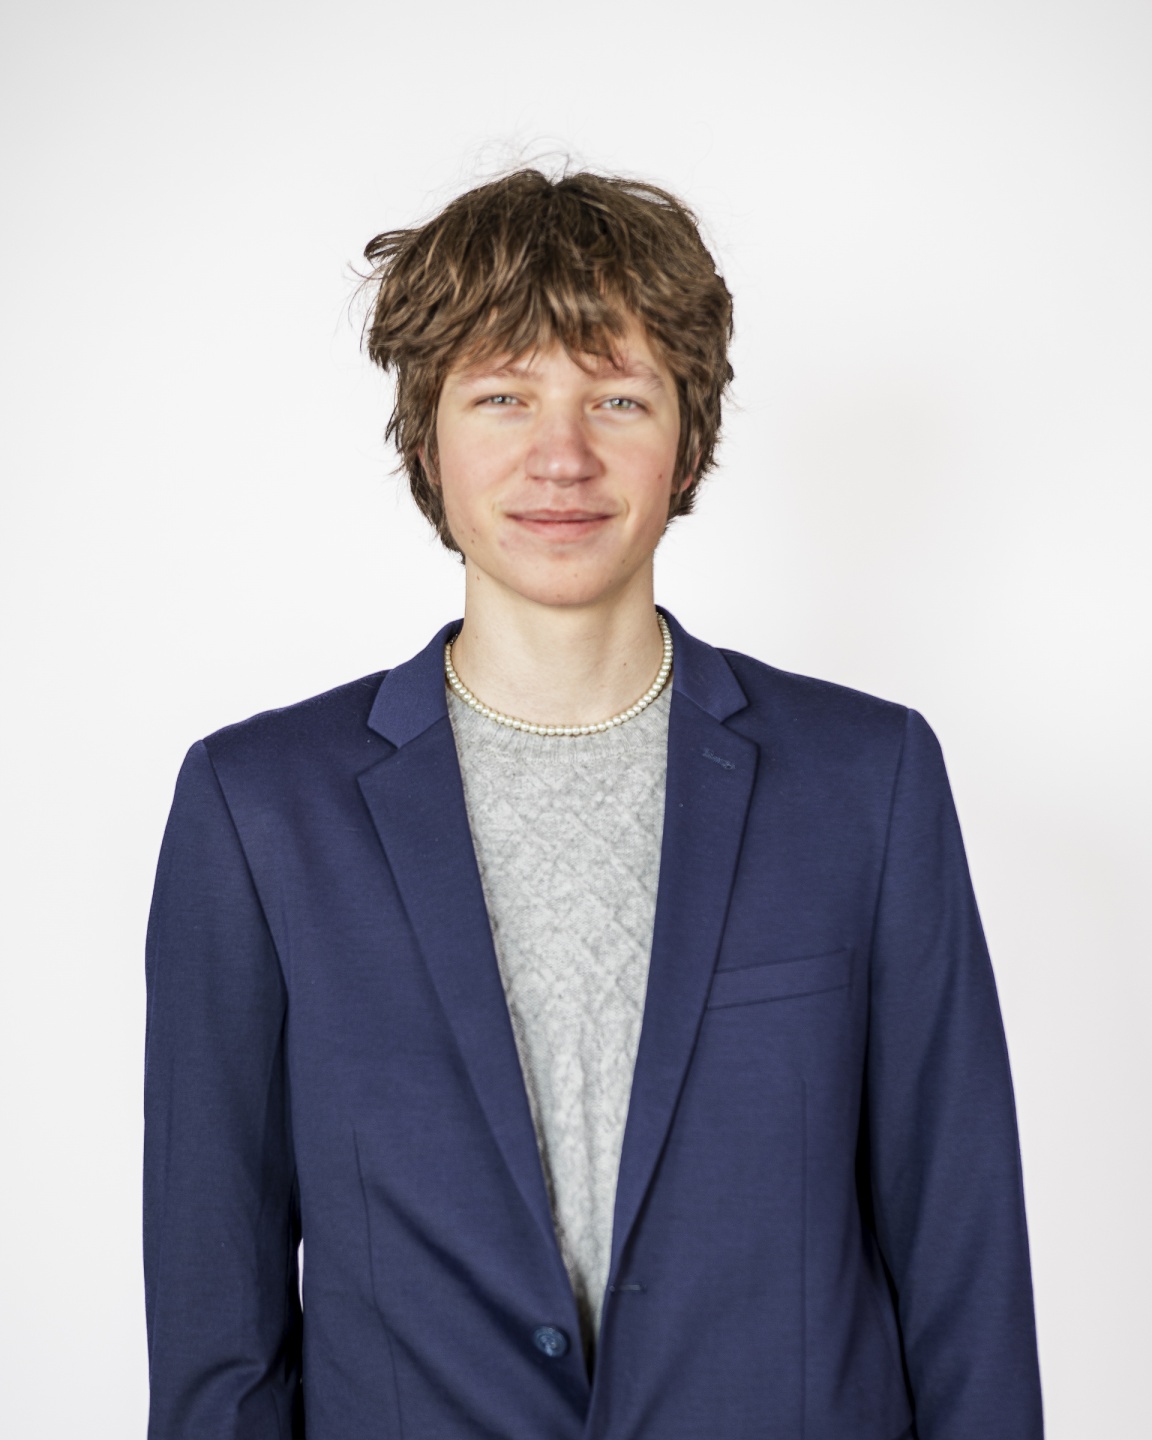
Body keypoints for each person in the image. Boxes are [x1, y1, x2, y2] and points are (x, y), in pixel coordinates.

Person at [143, 167, 1044, 1439]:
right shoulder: (258, 812)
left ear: (689, 440)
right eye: (502, 396)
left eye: (618, 397)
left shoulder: (868, 780)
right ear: (426, 440)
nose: (560, 456)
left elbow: (965, 1272)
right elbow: (216, 1337)